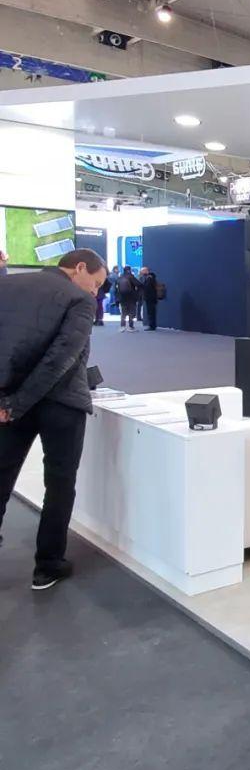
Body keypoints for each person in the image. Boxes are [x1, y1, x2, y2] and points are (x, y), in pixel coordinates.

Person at [0, 246, 106, 588]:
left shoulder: (8, 286)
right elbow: (60, 360)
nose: (95, 292)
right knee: (59, 483)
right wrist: (19, 402)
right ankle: (48, 565)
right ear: (79, 268)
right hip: (62, 405)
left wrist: (8, 401)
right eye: (96, 282)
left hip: (10, 402)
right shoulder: (80, 301)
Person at [115, 264, 140, 330]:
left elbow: (116, 288)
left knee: (123, 312)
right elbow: (138, 284)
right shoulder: (131, 277)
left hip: (122, 297)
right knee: (131, 311)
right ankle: (130, 326)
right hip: (131, 297)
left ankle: (122, 325)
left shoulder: (120, 277)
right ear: (129, 270)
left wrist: (117, 298)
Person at [139, 266, 161, 331]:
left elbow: (147, 288)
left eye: (142, 271)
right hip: (151, 298)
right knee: (151, 312)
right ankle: (152, 325)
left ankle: (152, 326)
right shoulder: (150, 277)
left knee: (151, 312)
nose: (141, 273)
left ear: (146, 271)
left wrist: (142, 286)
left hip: (150, 298)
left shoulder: (149, 278)